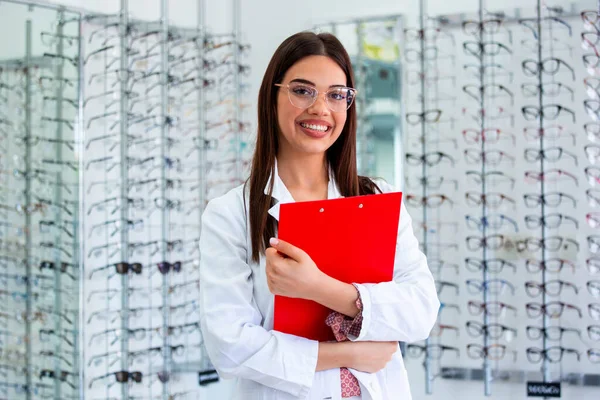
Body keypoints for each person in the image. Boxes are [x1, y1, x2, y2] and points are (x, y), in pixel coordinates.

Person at [199, 31, 439, 400]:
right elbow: (230, 348)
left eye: (336, 95)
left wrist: (318, 288)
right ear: (272, 96)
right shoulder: (231, 214)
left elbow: (421, 311)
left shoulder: (377, 197)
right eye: (302, 90)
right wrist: (349, 353)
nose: (320, 109)